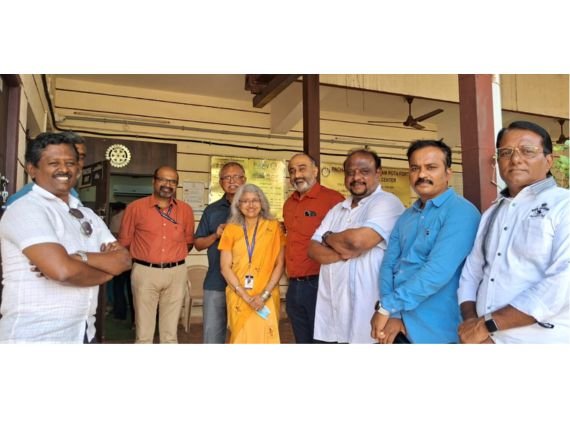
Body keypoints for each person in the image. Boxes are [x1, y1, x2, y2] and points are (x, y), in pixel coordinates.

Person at [0, 132, 131, 343]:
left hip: (84, 332)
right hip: (36, 336)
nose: (64, 169)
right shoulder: (25, 209)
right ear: (32, 169)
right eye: (54, 163)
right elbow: (63, 271)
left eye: (70, 163)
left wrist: (77, 258)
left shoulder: (87, 214)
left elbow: (124, 260)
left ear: (78, 169)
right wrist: (107, 271)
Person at [458, 121, 570, 344]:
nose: (515, 159)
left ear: (548, 161)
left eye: (527, 151)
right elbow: (472, 272)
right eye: (506, 152)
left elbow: (563, 281)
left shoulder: (563, 205)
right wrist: (473, 325)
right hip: (486, 341)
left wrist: (488, 324)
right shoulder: (492, 213)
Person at [370, 140, 481, 344]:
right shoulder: (407, 216)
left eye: (431, 167)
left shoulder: (461, 212)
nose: (422, 174)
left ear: (448, 173)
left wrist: (387, 306)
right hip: (399, 325)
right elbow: (388, 265)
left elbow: (437, 272)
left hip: (439, 330)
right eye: (415, 168)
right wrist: (393, 314)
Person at [308, 149, 404, 343]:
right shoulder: (337, 209)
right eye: (350, 172)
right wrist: (343, 252)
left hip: (370, 313)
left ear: (378, 173)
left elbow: (357, 242)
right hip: (335, 314)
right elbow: (312, 249)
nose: (356, 177)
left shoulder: (387, 202)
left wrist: (328, 238)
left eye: (364, 172)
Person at [118, 166, 195, 344]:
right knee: (144, 334)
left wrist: (172, 257)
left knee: (170, 334)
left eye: (173, 181)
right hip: (145, 272)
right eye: (163, 179)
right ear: (153, 181)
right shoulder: (135, 208)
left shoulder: (185, 210)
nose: (168, 184)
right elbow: (124, 242)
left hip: (176, 273)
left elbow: (189, 242)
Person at [283, 153, 344, 343]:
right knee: (302, 340)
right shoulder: (289, 203)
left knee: (324, 342)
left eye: (302, 169)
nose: (297, 175)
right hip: (294, 284)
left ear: (315, 171)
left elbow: (344, 241)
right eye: (292, 171)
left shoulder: (333, 199)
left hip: (321, 282)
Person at [218, 184, 285, 344]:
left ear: (262, 203)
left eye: (255, 200)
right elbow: (225, 268)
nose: (251, 205)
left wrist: (264, 295)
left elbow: (280, 264)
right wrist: (247, 297)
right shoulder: (230, 229)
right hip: (239, 296)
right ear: (238, 204)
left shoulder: (274, 226)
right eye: (245, 201)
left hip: (267, 295)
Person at [194, 162, 246, 343]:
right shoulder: (212, 210)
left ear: (244, 180)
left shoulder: (254, 208)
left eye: (236, 177)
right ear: (220, 182)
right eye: (227, 177)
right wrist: (215, 235)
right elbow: (198, 244)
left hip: (248, 284)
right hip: (216, 282)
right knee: (213, 338)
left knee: (245, 337)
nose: (232, 181)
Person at [5, 134, 87, 206]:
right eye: (55, 162)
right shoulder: (22, 200)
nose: (65, 169)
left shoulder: (72, 197)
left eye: (80, 158)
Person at [109, 202, 134, 323]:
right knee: (132, 288)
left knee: (118, 286)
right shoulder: (135, 216)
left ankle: (120, 314)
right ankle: (135, 319)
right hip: (135, 257)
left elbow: (113, 239)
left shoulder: (115, 218)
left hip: (120, 256)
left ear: (115, 210)